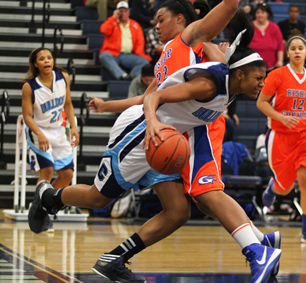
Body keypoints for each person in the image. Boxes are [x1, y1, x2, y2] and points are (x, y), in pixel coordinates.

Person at [33, 3, 282, 283]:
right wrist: (111, 107)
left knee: (179, 211)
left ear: (181, 20)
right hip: (145, 131)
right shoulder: (172, 55)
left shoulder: (195, 41)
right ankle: (50, 197)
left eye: (160, 19)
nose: (156, 25)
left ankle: (115, 259)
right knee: (97, 198)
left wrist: (109, 105)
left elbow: (226, 13)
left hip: (174, 135)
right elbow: (150, 97)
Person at [257, 34, 306, 245]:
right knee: (284, 187)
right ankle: (272, 188)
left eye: (300, 48)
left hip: (305, 135)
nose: (297, 51)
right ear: (287, 53)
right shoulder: (277, 75)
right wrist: (280, 117)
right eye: (293, 48)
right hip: (280, 136)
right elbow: (261, 103)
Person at [21, 47, 79, 189]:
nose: (47, 61)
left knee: (67, 174)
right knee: (47, 171)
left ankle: (49, 204)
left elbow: (68, 104)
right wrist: (39, 134)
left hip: (58, 130)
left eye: (49, 57)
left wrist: (73, 127)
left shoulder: (63, 77)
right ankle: (38, 208)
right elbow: (27, 117)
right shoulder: (29, 87)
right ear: (36, 64)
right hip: (38, 131)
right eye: (42, 59)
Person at [99, 1, 151, 80]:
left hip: (128, 55)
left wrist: (140, 54)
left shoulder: (135, 25)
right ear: (116, 12)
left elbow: (140, 42)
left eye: (125, 11)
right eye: (120, 11)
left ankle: (132, 77)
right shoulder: (112, 22)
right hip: (113, 54)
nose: (123, 13)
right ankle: (122, 75)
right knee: (104, 55)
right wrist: (113, 18)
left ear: (129, 12)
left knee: (144, 62)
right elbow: (104, 30)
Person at [249, 3, 284, 73]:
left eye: (262, 12)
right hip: (253, 68)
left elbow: (280, 46)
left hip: (271, 67)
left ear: (267, 14)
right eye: (258, 12)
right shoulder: (250, 27)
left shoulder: (275, 27)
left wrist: (280, 61)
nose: (260, 15)